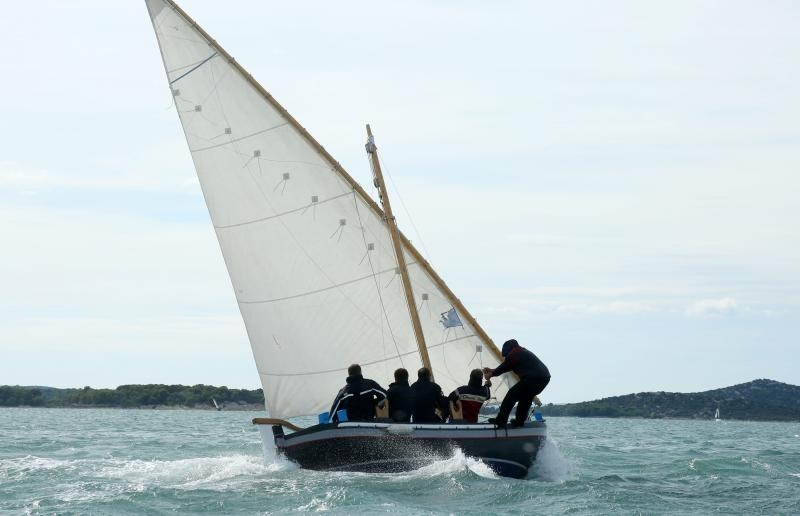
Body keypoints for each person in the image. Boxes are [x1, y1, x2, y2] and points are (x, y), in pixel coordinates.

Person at [483, 339, 550, 427]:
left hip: (534, 378)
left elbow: (505, 366)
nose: (506, 357)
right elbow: (508, 366)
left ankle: (501, 420)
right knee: (526, 398)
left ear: (508, 350)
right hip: (544, 378)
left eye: (506, 355)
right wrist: (492, 371)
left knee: (511, 395)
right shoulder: (521, 352)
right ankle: (519, 421)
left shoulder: (515, 353)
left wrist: (491, 374)